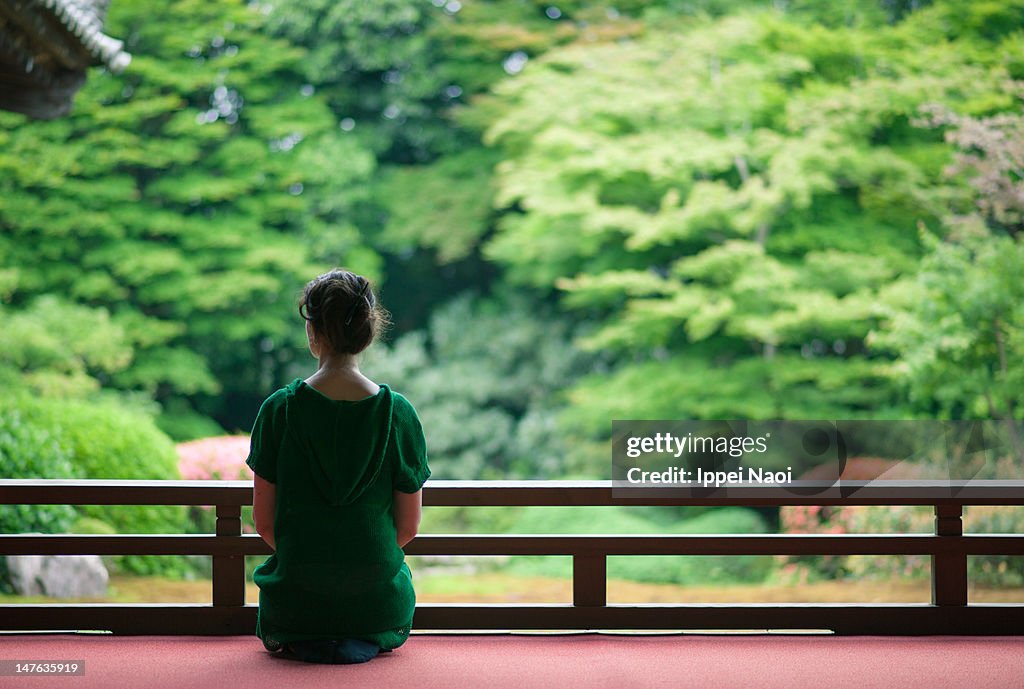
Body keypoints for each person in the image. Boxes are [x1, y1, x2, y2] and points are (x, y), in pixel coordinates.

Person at [245, 268, 430, 664]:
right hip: (377, 609)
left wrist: (312, 561)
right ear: (368, 332)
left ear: (312, 333)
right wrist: (356, 565)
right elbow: (409, 526)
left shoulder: (279, 410)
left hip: (295, 608)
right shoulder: (398, 414)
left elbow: (264, 522)